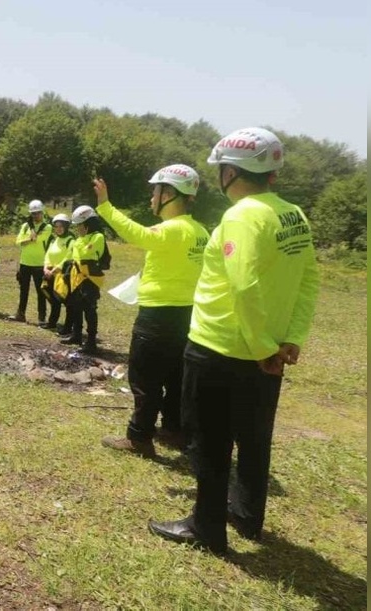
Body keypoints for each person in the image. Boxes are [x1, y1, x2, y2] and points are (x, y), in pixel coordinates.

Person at [149, 127, 320, 555]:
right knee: (255, 438)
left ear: (229, 172)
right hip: (269, 353)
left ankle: (206, 528)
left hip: (219, 347)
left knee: (209, 441)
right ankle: (246, 514)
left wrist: (262, 346)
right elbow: (309, 279)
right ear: (271, 173)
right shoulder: (293, 215)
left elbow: (244, 285)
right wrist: (289, 339)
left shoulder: (242, 216)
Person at [95, 165, 209, 458]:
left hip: (157, 316)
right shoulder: (199, 231)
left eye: (155, 191)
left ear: (169, 194)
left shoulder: (172, 229)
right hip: (187, 315)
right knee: (176, 376)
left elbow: (137, 234)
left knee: (145, 378)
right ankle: (173, 429)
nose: (151, 198)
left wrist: (105, 206)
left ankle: (139, 437)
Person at [62, 205, 107, 352]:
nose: (78, 229)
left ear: (88, 224)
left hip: (90, 279)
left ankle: (91, 342)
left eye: (80, 225)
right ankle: (76, 335)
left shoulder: (98, 237)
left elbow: (85, 254)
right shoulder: (80, 239)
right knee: (76, 307)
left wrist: (81, 246)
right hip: (77, 277)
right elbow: (76, 253)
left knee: (90, 309)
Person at [14, 199, 50, 323]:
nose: (36, 215)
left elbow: (38, 239)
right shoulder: (25, 226)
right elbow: (18, 241)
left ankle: (41, 318)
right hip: (25, 263)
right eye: (33, 213)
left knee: (41, 292)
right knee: (23, 290)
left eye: (38, 213)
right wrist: (30, 238)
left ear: (42, 212)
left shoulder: (47, 227)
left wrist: (28, 239)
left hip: (39, 264)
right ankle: (20, 314)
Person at [41, 213, 74, 331]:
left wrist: (56, 269)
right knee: (54, 300)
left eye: (61, 226)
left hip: (64, 275)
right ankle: (52, 323)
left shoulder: (71, 240)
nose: (58, 229)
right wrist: (46, 267)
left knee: (67, 301)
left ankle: (68, 327)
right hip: (51, 274)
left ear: (66, 226)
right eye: (56, 226)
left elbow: (69, 257)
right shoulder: (54, 240)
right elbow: (47, 254)